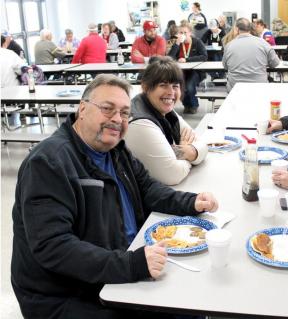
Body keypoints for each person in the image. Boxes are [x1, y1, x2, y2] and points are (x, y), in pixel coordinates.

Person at [11, 74, 219, 319]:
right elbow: (53, 247)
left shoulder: (115, 150)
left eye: (124, 113)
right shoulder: (49, 163)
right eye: (107, 109)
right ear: (82, 109)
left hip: (113, 264)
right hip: (67, 294)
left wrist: (191, 201)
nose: (117, 120)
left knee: (192, 303)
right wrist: (131, 265)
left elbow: (148, 189)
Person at [125, 57, 208, 185]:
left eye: (175, 86)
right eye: (163, 85)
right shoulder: (139, 123)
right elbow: (172, 175)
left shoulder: (165, 109)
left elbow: (202, 144)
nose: (171, 92)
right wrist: (187, 155)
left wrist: (190, 151)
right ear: (146, 87)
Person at [222, 18, 280, 92]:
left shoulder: (229, 45)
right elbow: (275, 63)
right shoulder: (263, 43)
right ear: (250, 28)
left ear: (236, 29)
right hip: (260, 89)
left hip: (235, 90)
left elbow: (225, 66)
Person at [168, 21, 207, 114]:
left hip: (195, 71)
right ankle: (187, 105)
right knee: (181, 88)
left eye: (185, 32)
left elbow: (204, 56)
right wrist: (177, 44)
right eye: (181, 32)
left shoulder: (197, 42)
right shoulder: (177, 43)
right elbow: (170, 58)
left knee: (189, 86)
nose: (183, 34)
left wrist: (187, 59)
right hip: (181, 71)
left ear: (190, 33)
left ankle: (193, 105)